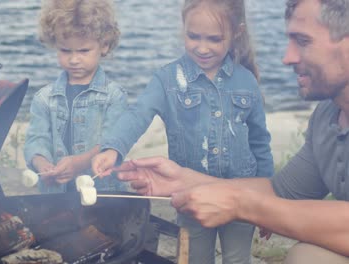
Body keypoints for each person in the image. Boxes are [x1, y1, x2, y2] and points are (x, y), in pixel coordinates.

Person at [113, 0, 349, 263]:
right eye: (290, 41)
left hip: (239, 208)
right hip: (204, 203)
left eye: (303, 41)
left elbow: (260, 148)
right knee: (305, 257)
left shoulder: (245, 80)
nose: (287, 57)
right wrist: (184, 180)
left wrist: (249, 208)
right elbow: (281, 192)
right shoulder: (325, 119)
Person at [92, 0, 274, 263]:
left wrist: (267, 201)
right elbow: (137, 114)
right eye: (193, 36)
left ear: (237, 32)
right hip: (191, 198)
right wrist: (112, 148)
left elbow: (260, 143)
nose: (202, 47)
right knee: (195, 258)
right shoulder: (166, 80)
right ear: (183, 28)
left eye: (214, 39)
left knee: (237, 259)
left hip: (240, 195)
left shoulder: (246, 80)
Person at [23, 0, 128, 193]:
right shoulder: (44, 98)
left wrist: (79, 163)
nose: (73, 59)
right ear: (55, 44)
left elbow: (113, 143)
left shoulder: (114, 96)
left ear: (103, 46)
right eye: (65, 50)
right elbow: (36, 140)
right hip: (55, 197)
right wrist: (42, 164)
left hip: (102, 194)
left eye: (83, 51)